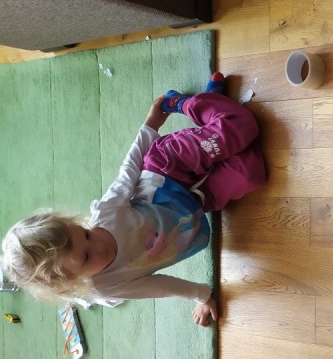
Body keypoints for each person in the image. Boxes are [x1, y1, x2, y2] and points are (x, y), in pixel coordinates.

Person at [1, 74, 266, 327]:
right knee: (252, 172)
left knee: (241, 127)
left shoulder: (107, 213)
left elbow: (129, 169)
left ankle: (188, 104)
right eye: (86, 257)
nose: (98, 246)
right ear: (71, 280)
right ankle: (213, 111)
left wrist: (151, 124)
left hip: (168, 166)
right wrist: (203, 296)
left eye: (86, 234)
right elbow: (162, 286)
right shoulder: (108, 287)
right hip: (193, 203)